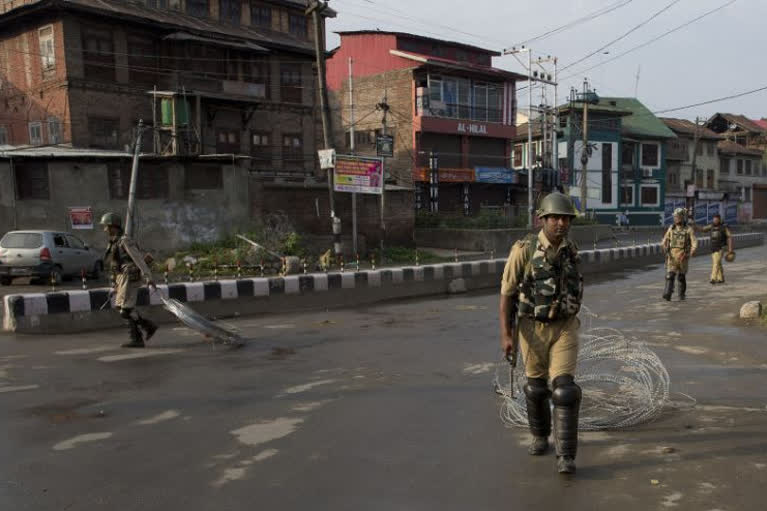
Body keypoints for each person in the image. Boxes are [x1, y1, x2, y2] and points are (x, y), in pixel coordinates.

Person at [499, 192, 584, 474]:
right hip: (531, 328)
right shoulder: (523, 250)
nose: (561, 223)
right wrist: (506, 335)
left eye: (566, 218)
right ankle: (539, 436)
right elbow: (507, 295)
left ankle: (566, 455)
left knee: (565, 390)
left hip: (565, 327)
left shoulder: (571, 249)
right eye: (555, 218)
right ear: (542, 219)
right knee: (536, 388)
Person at [100, 212, 158, 348]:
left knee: (125, 309)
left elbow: (138, 259)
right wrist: (114, 285)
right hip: (122, 277)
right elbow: (115, 265)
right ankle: (148, 328)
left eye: (106, 226)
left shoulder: (125, 240)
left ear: (113, 226)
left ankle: (139, 337)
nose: (105, 230)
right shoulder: (114, 242)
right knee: (123, 308)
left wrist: (148, 276)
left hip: (130, 276)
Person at [661, 208, 698, 301]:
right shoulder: (671, 228)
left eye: (677, 217)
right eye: (675, 217)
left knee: (681, 277)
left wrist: (691, 252)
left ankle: (681, 294)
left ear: (682, 217)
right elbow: (664, 240)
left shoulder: (688, 230)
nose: (676, 218)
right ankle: (667, 293)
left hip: (683, 257)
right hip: (672, 256)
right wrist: (665, 248)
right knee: (670, 275)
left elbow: (694, 242)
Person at [701, 213, 733, 285]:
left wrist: (730, 249)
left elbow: (729, 237)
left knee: (715, 263)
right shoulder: (711, 226)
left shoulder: (724, 227)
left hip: (721, 248)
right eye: (714, 219)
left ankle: (713, 278)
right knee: (718, 263)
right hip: (713, 248)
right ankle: (721, 278)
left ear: (719, 219)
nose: (715, 220)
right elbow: (703, 229)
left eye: (716, 219)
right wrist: (694, 226)